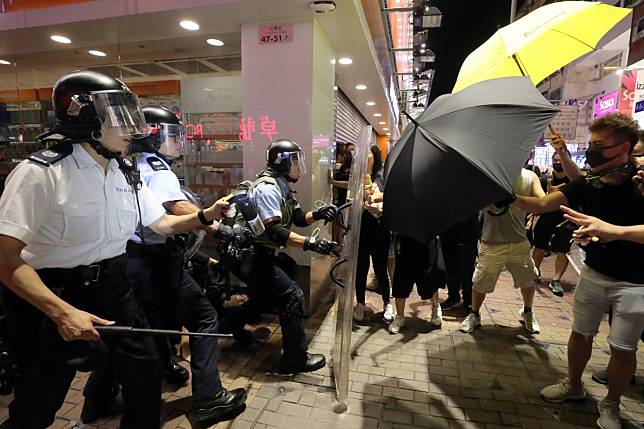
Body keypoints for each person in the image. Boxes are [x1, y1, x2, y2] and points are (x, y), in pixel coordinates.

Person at [0, 71, 239, 429]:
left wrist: (205, 215)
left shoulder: (124, 172)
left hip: (114, 285)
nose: (131, 127)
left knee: (145, 372)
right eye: (119, 114)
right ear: (85, 117)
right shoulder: (41, 173)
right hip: (51, 295)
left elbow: (161, 223)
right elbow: (5, 259)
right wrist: (62, 312)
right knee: (40, 399)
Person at [80, 106, 246, 426]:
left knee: (129, 329)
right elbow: (173, 206)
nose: (179, 143)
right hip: (152, 262)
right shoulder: (156, 165)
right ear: (155, 136)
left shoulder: (123, 164)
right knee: (203, 315)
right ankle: (209, 397)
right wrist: (217, 227)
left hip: (124, 259)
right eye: (173, 135)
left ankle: (96, 400)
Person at [513, 113, 643, 429]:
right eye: (591, 144)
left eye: (600, 145)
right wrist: (504, 195)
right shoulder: (588, 182)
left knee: (622, 347)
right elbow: (542, 205)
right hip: (595, 273)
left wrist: (615, 231)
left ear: (623, 147)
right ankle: (573, 384)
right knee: (580, 333)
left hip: (636, 282)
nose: (592, 151)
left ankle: (611, 404)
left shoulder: (641, 183)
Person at [220, 139, 336, 373]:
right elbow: (274, 231)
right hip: (245, 255)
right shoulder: (268, 189)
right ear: (282, 163)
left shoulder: (282, 187)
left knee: (267, 292)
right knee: (291, 294)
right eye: (295, 161)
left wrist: (320, 213)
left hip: (255, 253)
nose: (299, 166)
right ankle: (295, 358)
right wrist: (311, 243)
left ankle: (228, 326)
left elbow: (300, 217)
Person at [459, 166, 545, 335]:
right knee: (480, 282)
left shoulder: (529, 177)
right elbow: (469, 200)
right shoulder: (488, 175)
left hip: (519, 241)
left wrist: (514, 199)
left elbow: (542, 203)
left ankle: (527, 311)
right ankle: (474, 314)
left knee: (527, 280)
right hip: (491, 241)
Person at [354, 145, 394, 323]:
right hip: (361, 229)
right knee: (361, 268)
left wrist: (376, 203)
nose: (366, 160)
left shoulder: (382, 177)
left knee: (380, 269)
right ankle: (360, 303)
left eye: (369, 157)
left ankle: (387, 303)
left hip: (380, 230)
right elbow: (350, 198)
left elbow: (390, 197)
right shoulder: (355, 179)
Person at [531, 148, 578, 296]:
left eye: (561, 160)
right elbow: (537, 200)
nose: (558, 163)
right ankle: (534, 272)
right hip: (546, 217)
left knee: (563, 250)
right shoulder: (546, 179)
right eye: (555, 161)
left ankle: (556, 279)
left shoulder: (574, 180)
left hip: (566, 220)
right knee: (539, 246)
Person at [439, 214, 480, 310]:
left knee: (467, 269)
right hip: (450, 230)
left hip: (467, 232)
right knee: (451, 267)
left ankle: (468, 299)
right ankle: (454, 297)